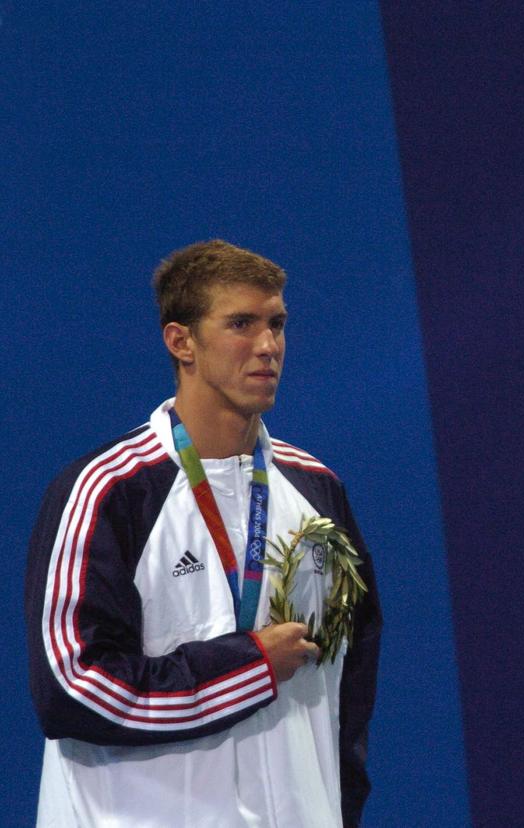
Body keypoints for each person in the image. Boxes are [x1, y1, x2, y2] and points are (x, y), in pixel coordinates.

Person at [24, 240, 381, 826]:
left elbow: (349, 690)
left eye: (277, 323)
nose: (268, 346)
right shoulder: (107, 491)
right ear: (180, 341)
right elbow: (73, 691)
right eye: (241, 323)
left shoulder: (317, 489)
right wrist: (248, 666)